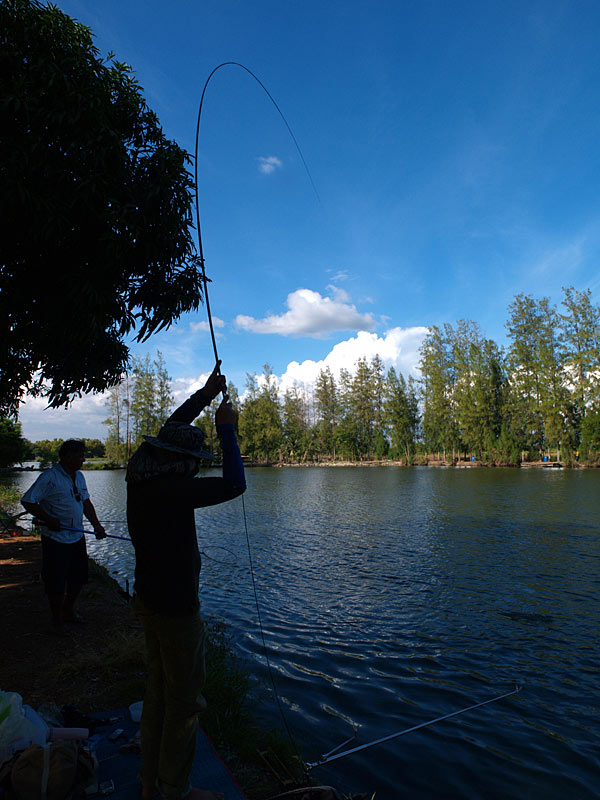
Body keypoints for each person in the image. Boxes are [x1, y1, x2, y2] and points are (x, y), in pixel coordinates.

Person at [126, 361, 246, 800]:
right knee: (185, 703)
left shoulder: (142, 475)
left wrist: (208, 393)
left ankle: (148, 781)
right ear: (182, 462)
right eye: (195, 462)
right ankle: (175, 790)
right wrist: (228, 431)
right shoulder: (174, 489)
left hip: (148, 600)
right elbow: (235, 483)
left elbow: (172, 425)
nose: (198, 469)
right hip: (177, 609)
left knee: (157, 690)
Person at [21, 439, 107, 633]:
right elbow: (28, 501)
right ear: (68, 456)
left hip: (76, 537)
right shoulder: (49, 477)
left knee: (79, 577)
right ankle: (56, 618)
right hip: (55, 539)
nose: (83, 460)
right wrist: (48, 518)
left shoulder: (79, 477)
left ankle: (68, 610)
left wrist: (97, 525)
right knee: (56, 580)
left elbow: (86, 502)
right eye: (80, 456)